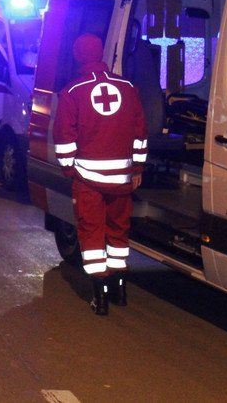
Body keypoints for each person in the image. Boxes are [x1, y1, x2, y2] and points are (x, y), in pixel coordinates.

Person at [52, 33, 147, 316]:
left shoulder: (72, 91)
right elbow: (139, 132)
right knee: (119, 230)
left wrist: (68, 167)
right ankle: (120, 290)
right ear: (101, 53)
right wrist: (137, 168)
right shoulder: (128, 87)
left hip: (88, 178)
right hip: (122, 178)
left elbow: (64, 136)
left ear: (78, 56)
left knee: (92, 233)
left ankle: (101, 297)